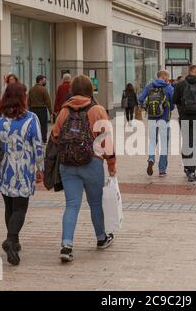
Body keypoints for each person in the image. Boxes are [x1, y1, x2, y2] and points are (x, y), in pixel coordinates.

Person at [0, 83, 44, 266]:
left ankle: (14, 242)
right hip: (23, 169)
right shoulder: (31, 118)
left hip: (2, 168)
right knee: (20, 208)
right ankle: (10, 240)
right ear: (23, 97)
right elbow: (38, 145)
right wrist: (41, 169)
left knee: (9, 205)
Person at [52, 75, 117, 263]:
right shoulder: (97, 110)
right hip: (92, 163)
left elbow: (55, 136)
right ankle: (101, 238)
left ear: (72, 90)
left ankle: (66, 245)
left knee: (72, 205)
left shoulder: (64, 111)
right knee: (95, 203)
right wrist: (111, 165)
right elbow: (107, 141)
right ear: (90, 89)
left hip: (68, 165)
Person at [138, 70, 175, 177]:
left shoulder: (149, 86)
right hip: (164, 119)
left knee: (153, 141)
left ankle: (151, 157)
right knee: (164, 145)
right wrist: (169, 108)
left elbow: (140, 99)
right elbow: (172, 105)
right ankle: (162, 170)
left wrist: (145, 107)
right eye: (167, 76)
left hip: (152, 118)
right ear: (163, 76)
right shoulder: (169, 87)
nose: (168, 78)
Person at [28, 75, 53, 144]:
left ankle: (34, 139)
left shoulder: (31, 89)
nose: (45, 82)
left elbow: (28, 101)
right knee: (43, 125)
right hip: (42, 109)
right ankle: (43, 140)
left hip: (33, 109)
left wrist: (29, 109)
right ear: (40, 80)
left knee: (34, 125)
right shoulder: (43, 89)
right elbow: (48, 101)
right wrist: (51, 112)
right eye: (44, 80)